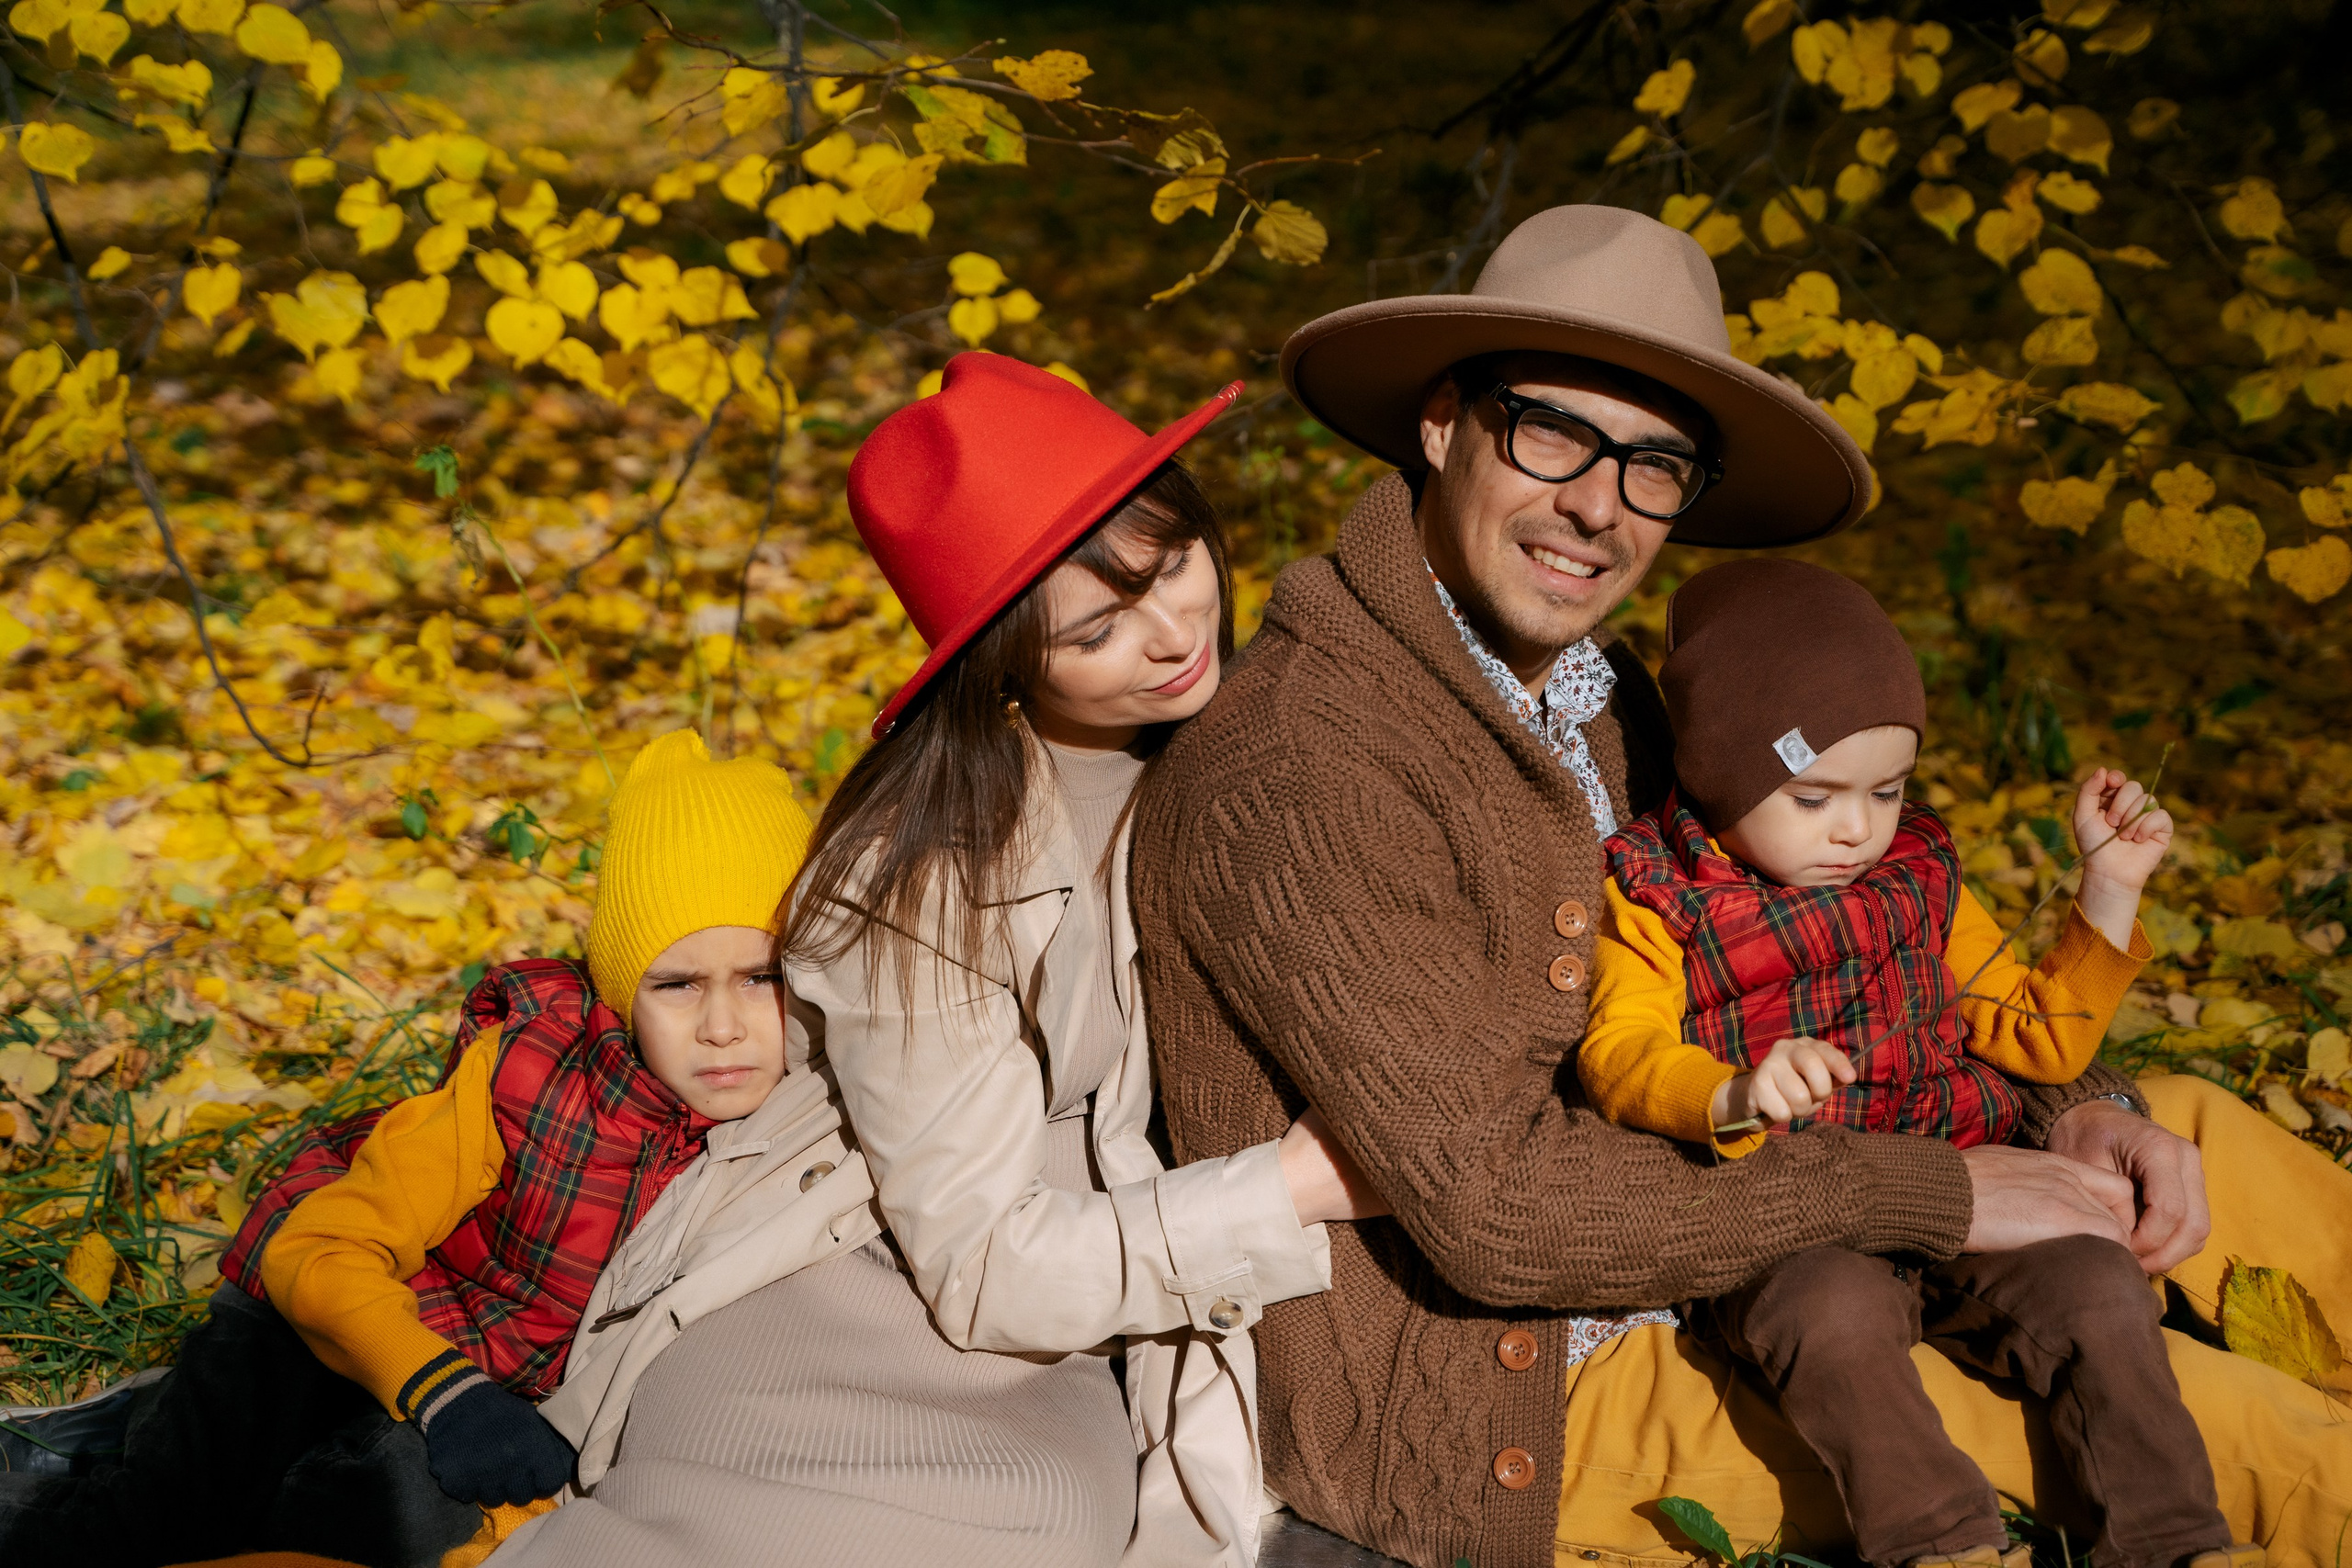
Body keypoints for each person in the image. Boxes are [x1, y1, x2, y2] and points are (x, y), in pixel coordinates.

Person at [1133, 204, 2352, 1568]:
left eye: (1654, 465)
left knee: (2192, 1130)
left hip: (1760, 1193)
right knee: (2254, 1447)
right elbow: (1499, 1209)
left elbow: (1839, 939)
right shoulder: (1304, 765)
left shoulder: (1602, 699)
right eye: (1552, 433)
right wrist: (1943, 1189)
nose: (1599, 504)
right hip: (1534, 1374)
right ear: (1440, 420)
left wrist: (2072, 1109)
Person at [488, 352, 1377, 1568]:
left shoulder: (1222, 735)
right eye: (1098, 624)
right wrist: (1292, 1186)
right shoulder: (922, 874)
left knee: (1054, 1510)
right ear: (1006, 657)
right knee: (973, 1521)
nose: (1173, 630)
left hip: (1059, 1333)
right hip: (852, 1295)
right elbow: (980, 1265)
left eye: (1172, 561)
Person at [0, 728, 813, 1568]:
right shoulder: (524, 1074)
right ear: (618, 989)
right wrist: (441, 1387)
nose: (724, 1028)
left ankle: (159, 1452)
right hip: (330, 1313)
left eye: (763, 977)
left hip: (484, 1397)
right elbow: (321, 1249)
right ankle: (76, 1474)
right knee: (150, 1517)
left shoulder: (802, 1125)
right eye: (676, 984)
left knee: (358, 1521)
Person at [1579, 557, 2249, 1568]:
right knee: (1829, 1321)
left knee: (2098, 1286)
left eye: (1885, 790)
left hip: (1969, 1185)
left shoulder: (1915, 878)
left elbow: (2035, 1037)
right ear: (1720, 772)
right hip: (1792, 1218)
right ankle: (1938, 1544)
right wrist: (1727, 1090)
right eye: (1810, 797)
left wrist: (2105, 896)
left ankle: (2174, 1541)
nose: (1856, 829)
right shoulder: (1657, 900)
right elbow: (1619, 1053)